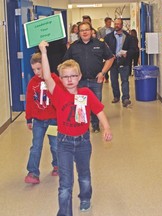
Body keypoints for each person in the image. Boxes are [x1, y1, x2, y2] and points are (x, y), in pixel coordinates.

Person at [38, 40, 113, 216]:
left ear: (79, 77)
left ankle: (85, 197)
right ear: (61, 79)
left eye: (73, 76)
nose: (69, 80)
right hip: (63, 142)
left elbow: (99, 111)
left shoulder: (86, 93)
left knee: (84, 176)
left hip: (83, 142)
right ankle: (64, 212)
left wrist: (107, 128)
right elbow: (47, 76)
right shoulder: (58, 94)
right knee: (65, 183)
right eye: (65, 77)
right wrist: (43, 52)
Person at [63, 21, 114, 133]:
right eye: (82, 30)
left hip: (96, 81)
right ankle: (82, 127)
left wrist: (103, 73)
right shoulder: (73, 47)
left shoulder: (100, 44)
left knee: (96, 104)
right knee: (80, 105)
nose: (84, 32)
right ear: (78, 33)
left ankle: (95, 125)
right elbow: (65, 63)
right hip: (80, 82)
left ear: (91, 31)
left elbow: (110, 58)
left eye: (87, 30)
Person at [24, 52, 61, 184]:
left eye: (39, 69)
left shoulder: (53, 79)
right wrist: (29, 119)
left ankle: (58, 166)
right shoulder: (32, 83)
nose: (36, 72)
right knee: (36, 146)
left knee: (55, 145)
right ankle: (33, 172)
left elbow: (60, 98)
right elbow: (29, 101)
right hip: (38, 121)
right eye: (34, 69)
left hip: (53, 120)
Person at [104, 18, 138, 107]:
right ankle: (116, 96)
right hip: (113, 62)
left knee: (125, 81)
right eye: (115, 24)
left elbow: (133, 49)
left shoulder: (128, 37)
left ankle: (126, 98)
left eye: (118, 24)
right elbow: (105, 49)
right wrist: (110, 55)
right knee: (114, 80)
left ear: (122, 25)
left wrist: (127, 54)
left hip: (124, 61)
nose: (116, 25)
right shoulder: (108, 37)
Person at [98, 17, 114, 82]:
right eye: (108, 22)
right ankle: (106, 76)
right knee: (105, 62)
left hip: (112, 47)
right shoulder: (101, 30)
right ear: (105, 22)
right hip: (104, 47)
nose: (109, 23)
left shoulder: (113, 30)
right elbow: (99, 38)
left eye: (110, 22)